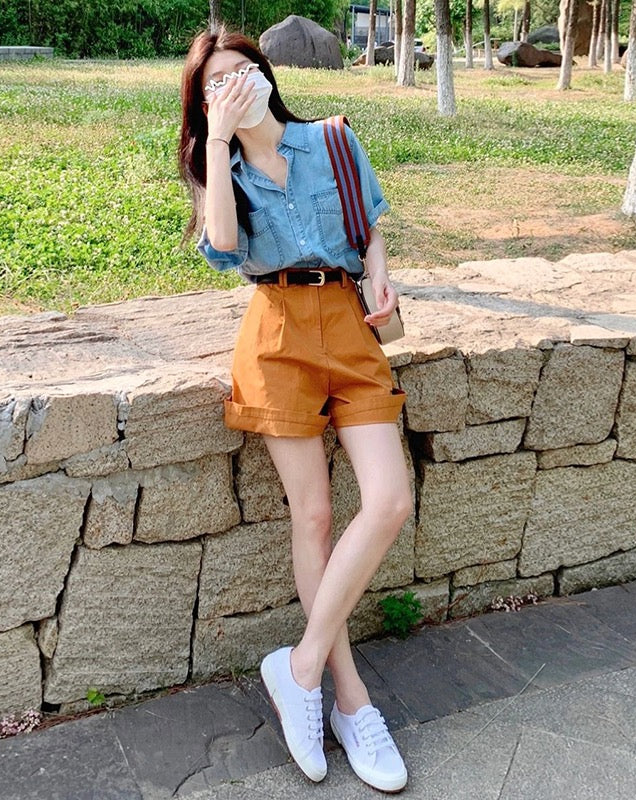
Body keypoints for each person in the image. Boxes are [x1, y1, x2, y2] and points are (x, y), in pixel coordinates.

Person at [179, 28, 413, 793]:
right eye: (215, 83)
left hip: (348, 325)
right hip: (276, 334)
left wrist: (379, 273)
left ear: (266, 74)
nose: (234, 86)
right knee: (312, 516)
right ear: (203, 103)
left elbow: (370, 227)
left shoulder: (332, 140)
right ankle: (351, 699)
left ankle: (299, 666)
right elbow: (223, 247)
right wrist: (219, 139)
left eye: (242, 71)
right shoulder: (221, 170)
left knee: (388, 500)